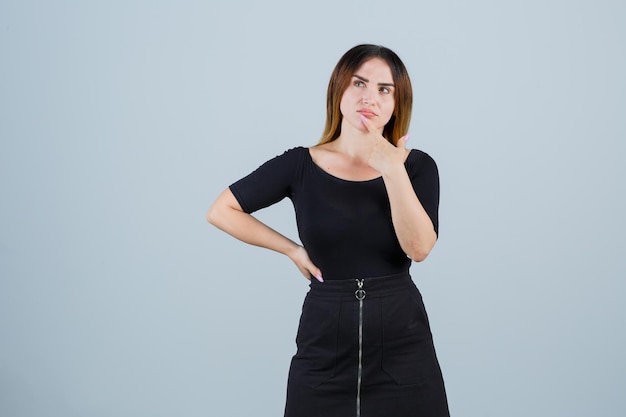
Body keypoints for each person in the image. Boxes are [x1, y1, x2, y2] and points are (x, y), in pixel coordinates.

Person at [207, 44, 450, 417]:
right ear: (339, 90)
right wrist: (291, 249)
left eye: (385, 89)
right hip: (325, 339)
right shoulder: (300, 165)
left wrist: (392, 169)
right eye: (359, 83)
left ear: (397, 104)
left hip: (403, 341)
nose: (370, 97)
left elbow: (418, 248)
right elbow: (221, 210)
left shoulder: (416, 167)